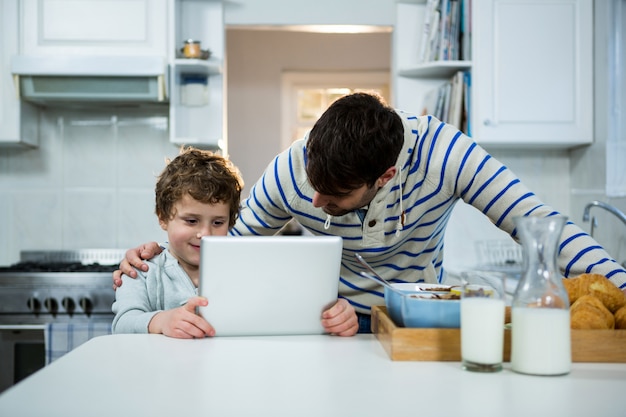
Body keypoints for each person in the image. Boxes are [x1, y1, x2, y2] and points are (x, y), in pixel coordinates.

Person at [114, 93, 626, 333]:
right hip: (333, 324)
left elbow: (536, 223)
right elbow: (227, 257)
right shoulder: (290, 171)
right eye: (313, 185)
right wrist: (152, 257)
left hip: (418, 320)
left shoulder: (447, 155)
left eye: (333, 196)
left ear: (382, 177)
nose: (314, 203)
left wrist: (620, 289)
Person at [111, 147, 242, 338]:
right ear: (163, 217)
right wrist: (162, 321)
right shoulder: (141, 271)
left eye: (218, 222)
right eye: (191, 221)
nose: (205, 234)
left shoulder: (238, 271)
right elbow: (122, 324)